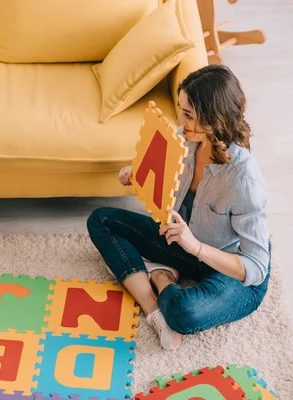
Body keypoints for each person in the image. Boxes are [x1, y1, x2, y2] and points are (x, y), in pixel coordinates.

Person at [87, 64, 270, 350]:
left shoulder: (245, 178)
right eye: (181, 110)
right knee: (101, 220)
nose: (180, 122)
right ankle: (152, 310)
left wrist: (195, 247)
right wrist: (136, 174)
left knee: (184, 312)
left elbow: (256, 268)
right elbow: (160, 180)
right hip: (183, 245)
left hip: (230, 269)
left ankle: (161, 277)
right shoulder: (185, 137)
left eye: (189, 115)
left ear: (214, 120)